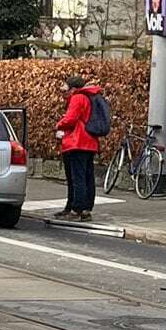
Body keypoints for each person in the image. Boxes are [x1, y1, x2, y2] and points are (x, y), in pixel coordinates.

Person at [55, 75, 102, 221]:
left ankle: (76, 209)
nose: (63, 91)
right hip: (90, 142)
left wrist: (58, 125)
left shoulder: (77, 98)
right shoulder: (90, 97)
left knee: (76, 177)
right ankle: (85, 209)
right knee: (87, 177)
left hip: (77, 142)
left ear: (73, 89)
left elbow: (71, 119)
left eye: (65, 88)